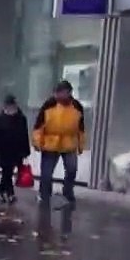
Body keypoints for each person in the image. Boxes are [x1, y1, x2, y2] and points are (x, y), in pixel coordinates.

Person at [32, 79, 85, 207]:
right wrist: (37, 142)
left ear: (69, 93)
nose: (58, 95)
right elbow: (39, 126)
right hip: (50, 143)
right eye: (57, 92)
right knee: (47, 173)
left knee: (72, 169)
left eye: (61, 92)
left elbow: (81, 128)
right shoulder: (49, 105)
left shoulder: (77, 106)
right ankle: (44, 194)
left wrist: (81, 145)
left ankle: (67, 192)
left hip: (69, 143)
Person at [0, 95, 31, 204]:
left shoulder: (21, 119)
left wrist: (26, 151)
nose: (10, 107)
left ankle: (3, 192)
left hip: (16, 151)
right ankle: (8, 193)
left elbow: (24, 135)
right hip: (2, 151)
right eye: (8, 105)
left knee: (7, 172)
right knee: (7, 171)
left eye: (12, 105)